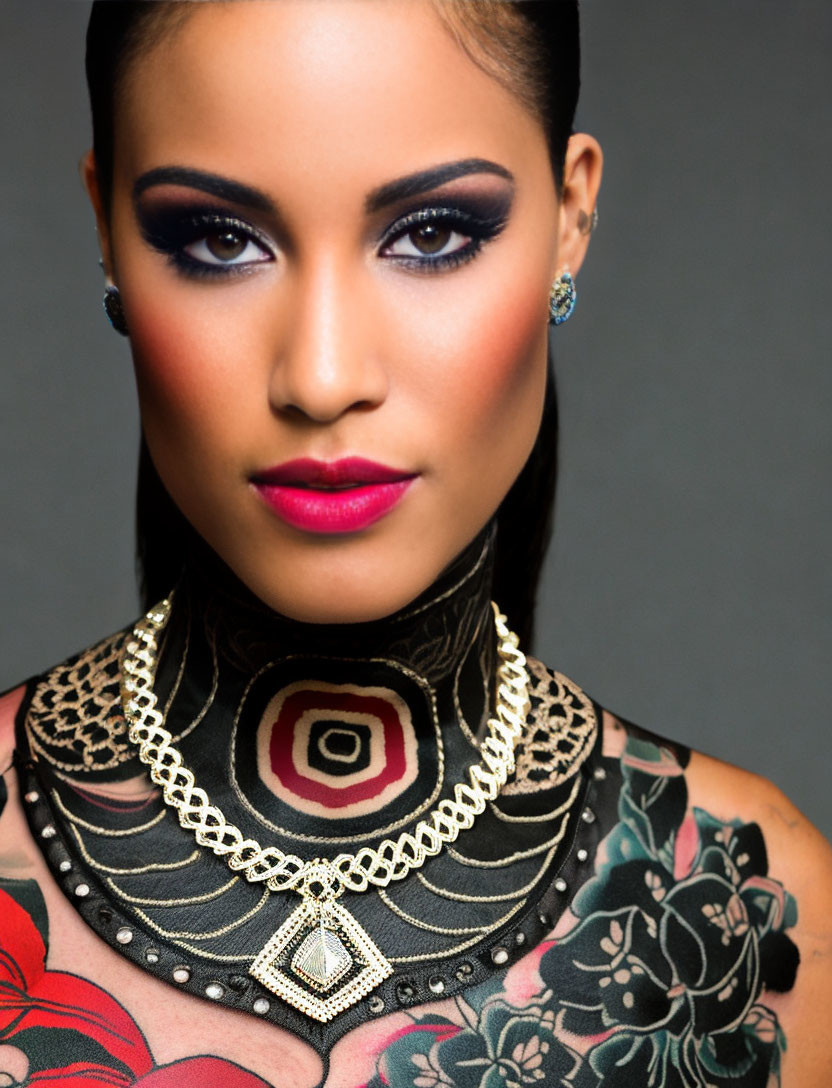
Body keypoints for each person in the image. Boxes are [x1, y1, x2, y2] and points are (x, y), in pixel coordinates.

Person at [0, 2, 830, 1086]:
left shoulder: (748, 913)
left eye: (433, 233)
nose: (324, 375)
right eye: (217, 240)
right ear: (109, 227)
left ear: (570, 217)